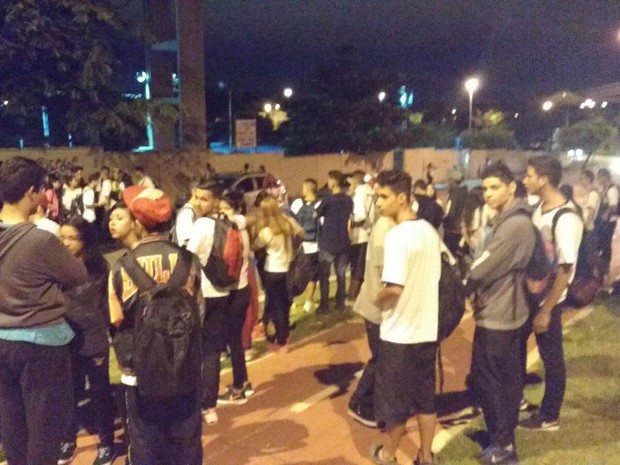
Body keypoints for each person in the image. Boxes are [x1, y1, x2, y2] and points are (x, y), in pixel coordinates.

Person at [0, 156, 88, 465]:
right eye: (41, 190)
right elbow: (77, 276)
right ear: (30, 193)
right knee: (44, 428)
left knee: (12, 426)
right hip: (40, 344)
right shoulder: (40, 239)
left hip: (2, 341)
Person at [108, 187, 204, 465]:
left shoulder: (122, 267)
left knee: (145, 447)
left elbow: (116, 322)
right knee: (186, 446)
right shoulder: (189, 262)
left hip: (139, 375)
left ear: (137, 223)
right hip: (185, 369)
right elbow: (198, 312)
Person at [466, 163, 536, 465]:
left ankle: (505, 445)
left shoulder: (514, 225)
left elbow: (481, 268)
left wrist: (470, 274)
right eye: (484, 188)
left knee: (492, 381)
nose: (488, 193)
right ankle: (501, 438)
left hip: (501, 314)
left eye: (494, 187)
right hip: (500, 310)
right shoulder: (507, 221)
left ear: (511, 187)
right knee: (493, 379)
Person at [371, 170, 440, 465]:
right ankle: (425, 455)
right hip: (426, 329)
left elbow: (394, 288)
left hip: (400, 334)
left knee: (396, 403)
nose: (378, 204)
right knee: (426, 398)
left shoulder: (397, 236)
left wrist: (376, 300)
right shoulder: (428, 230)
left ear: (402, 198)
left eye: (383, 197)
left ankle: (388, 454)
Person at [520, 155, 583, 432]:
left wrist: (547, 309)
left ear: (543, 179)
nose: (525, 180)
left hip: (549, 300)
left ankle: (549, 416)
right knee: (515, 345)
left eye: (529, 175)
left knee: (551, 358)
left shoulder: (566, 217)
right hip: (532, 294)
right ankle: (518, 398)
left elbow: (565, 268)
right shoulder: (540, 208)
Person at [58, 216, 116, 465]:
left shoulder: (98, 267)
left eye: (72, 238)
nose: (66, 243)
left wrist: (107, 336)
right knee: (69, 391)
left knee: (100, 392)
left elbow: (103, 305)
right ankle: (68, 440)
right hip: (65, 337)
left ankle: (107, 443)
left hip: (92, 338)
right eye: (62, 237)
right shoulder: (56, 264)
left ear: (85, 240)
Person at [185, 180, 232, 426]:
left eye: (204, 199)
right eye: (197, 197)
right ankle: (210, 406)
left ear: (214, 201)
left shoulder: (201, 224)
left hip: (202, 294)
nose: (199, 203)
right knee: (213, 351)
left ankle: (196, 403)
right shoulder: (226, 222)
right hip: (222, 291)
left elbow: (188, 256)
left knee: (196, 350)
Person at [347, 213, 395, 428]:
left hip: (381, 307)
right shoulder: (385, 227)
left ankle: (377, 402)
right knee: (381, 358)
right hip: (377, 307)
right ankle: (360, 402)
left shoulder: (391, 225)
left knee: (385, 357)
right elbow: (389, 275)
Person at [216, 196, 255, 405]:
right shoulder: (234, 228)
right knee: (234, 341)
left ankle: (239, 387)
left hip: (236, 291)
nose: (222, 212)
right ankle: (244, 382)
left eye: (227, 208)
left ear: (237, 209)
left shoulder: (236, 230)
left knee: (234, 341)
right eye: (220, 208)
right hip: (239, 290)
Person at [253, 195, 305, 352]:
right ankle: (285, 335)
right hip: (286, 268)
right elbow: (302, 234)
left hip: (272, 270)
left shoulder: (267, 231)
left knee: (276, 307)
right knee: (284, 303)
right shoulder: (288, 223)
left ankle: (282, 341)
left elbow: (255, 247)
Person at [316, 170, 353, 314]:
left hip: (328, 242)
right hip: (343, 241)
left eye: (329, 180)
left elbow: (316, 214)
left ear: (333, 181)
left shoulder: (328, 200)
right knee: (341, 275)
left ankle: (324, 306)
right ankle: (340, 303)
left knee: (324, 276)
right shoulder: (348, 200)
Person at [290, 178, 321, 312]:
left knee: (294, 274)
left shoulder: (297, 204)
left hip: (299, 245)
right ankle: (309, 300)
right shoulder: (319, 204)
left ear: (307, 189)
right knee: (313, 274)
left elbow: (291, 221)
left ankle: (291, 301)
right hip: (314, 244)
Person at [347, 171, 375, 302]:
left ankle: (352, 296)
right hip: (368, 234)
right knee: (362, 266)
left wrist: (351, 220)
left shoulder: (359, 195)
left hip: (359, 235)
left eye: (351, 183)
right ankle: (360, 295)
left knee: (357, 267)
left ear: (355, 182)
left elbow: (361, 215)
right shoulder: (369, 193)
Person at [594, 168, 618, 285]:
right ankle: (600, 269)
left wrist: (605, 215)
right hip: (604, 223)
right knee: (600, 245)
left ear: (604, 177)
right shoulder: (605, 189)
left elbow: (613, 206)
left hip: (607, 223)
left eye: (599, 178)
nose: (598, 180)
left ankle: (604, 271)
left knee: (605, 246)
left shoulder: (612, 190)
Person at [443, 168, 468, 256]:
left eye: (450, 180)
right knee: (460, 254)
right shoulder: (465, 192)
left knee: (449, 255)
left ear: (453, 181)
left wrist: (444, 221)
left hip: (452, 229)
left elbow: (450, 212)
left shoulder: (454, 194)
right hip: (461, 228)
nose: (449, 183)